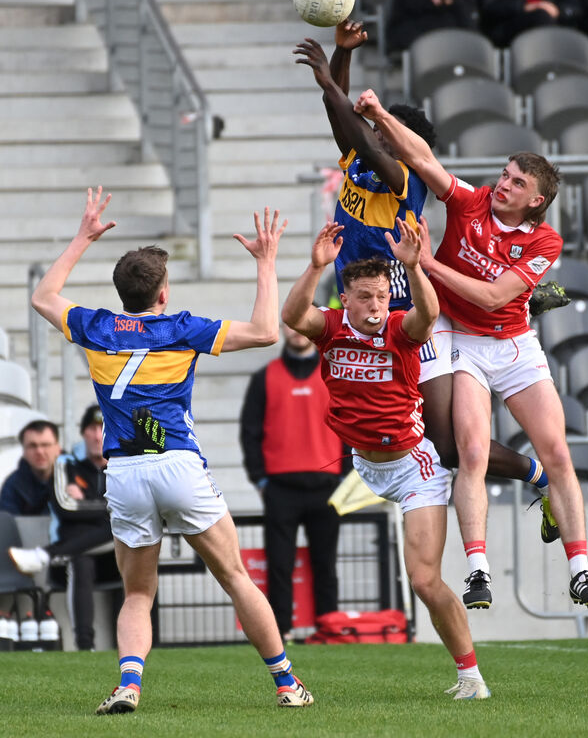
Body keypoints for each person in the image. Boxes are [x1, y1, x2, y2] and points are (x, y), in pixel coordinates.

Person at [294, 25, 558, 609]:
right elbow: (344, 123)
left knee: (449, 446)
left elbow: (361, 136)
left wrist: (330, 81)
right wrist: (340, 58)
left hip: (411, 318)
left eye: (383, 133)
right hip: (365, 314)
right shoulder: (360, 161)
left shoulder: (403, 177)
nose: (371, 135)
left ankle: (537, 476)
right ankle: (418, 474)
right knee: (429, 441)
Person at [29, 186, 313, 713]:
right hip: (178, 465)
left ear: (122, 293)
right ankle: (286, 684)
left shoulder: (96, 326)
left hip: (126, 473)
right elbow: (265, 331)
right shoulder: (182, 328)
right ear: (162, 294)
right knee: (235, 577)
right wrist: (266, 261)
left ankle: (129, 685)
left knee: (138, 593)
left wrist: (83, 237)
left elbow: (43, 297)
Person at [354, 87, 588, 610]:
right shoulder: (472, 201)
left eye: (517, 183)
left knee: (558, 452)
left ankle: (581, 572)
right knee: (467, 452)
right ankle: (478, 573)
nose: (503, 184)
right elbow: (424, 160)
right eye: (505, 174)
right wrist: (378, 113)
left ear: (535, 201)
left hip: (512, 343)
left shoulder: (545, 241)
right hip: (457, 337)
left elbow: (494, 297)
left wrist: (427, 263)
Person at [282, 218, 490, 699]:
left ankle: (471, 677)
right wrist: (315, 267)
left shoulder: (400, 328)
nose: (376, 305)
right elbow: (293, 316)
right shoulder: (331, 327)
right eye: (365, 297)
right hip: (363, 463)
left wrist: (414, 269)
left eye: (381, 296)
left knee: (424, 581)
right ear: (346, 300)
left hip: (413, 467)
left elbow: (428, 314)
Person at [240, 323, 346, 642]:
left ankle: (328, 629)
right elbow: (250, 432)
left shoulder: (334, 374)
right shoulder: (264, 378)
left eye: (302, 324)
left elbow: (351, 423)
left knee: (325, 564)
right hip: (280, 488)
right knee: (279, 565)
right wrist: (260, 480)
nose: (296, 331)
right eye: (290, 325)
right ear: (282, 329)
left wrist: (345, 474)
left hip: (327, 486)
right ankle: (280, 633)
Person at [9, 404, 120, 651]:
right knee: (85, 554)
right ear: (84, 433)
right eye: (92, 428)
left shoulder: (125, 466)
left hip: (116, 556)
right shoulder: (66, 465)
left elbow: (132, 508)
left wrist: (87, 503)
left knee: (122, 532)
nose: (97, 435)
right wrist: (109, 508)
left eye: (103, 428)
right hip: (74, 558)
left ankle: (44, 554)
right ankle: (85, 648)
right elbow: (65, 507)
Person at [0, 420, 61, 515]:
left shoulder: (74, 480)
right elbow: (8, 521)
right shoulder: (12, 485)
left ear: (58, 449)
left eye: (45, 445)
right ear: (24, 451)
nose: (39, 451)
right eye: (32, 446)